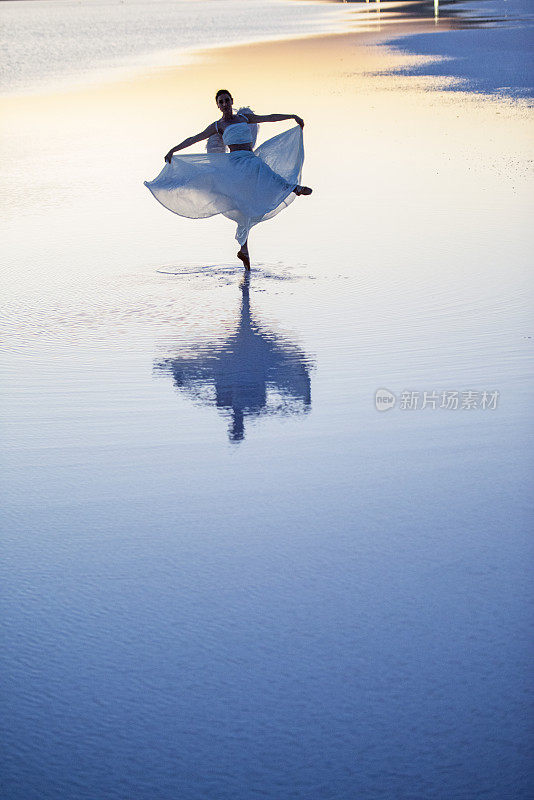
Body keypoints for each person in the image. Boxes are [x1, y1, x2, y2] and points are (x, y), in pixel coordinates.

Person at [144, 89, 312, 270]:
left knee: (248, 204)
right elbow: (194, 138)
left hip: (249, 158)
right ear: (218, 106)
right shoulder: (218, 126)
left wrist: (292, 116)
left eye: (226, 100)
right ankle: (293, 188)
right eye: (221, 102)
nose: (224, 104)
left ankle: (244, 250)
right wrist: (173, 150)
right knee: (257, 179)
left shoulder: (244, 118)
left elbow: (269, 117)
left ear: (232, 101)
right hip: (236, 164)